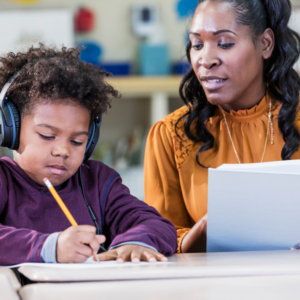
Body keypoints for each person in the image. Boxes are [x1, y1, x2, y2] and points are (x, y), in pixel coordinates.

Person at [144, 0, 300, 253]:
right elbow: (160, 236)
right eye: (197, 44)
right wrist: (201, 232)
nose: (205, 60)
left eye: (225, 43)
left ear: (265, 44)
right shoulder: (171, 135)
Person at [0, 44, 177, 266]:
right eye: (47, 135)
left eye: (77, 141)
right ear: (10, 130)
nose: (62, 151)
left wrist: (137, 242)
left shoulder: (99, 183)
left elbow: (157, 225)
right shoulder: (3, 180)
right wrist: (50, 248)